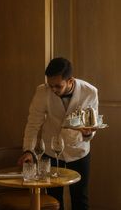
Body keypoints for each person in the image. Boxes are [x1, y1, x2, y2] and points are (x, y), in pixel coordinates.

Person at [18, 57, 99, 210]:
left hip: (78, 151)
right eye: (50, 85)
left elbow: (91, 125)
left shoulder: (90, 92)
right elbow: (33, 123)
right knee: (54, 201)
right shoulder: (43, 91)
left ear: (70, 81)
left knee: (80, 199)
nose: (53, 89)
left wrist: (88, 134)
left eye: (58, 86)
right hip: (51, 151)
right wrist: (28, 150)